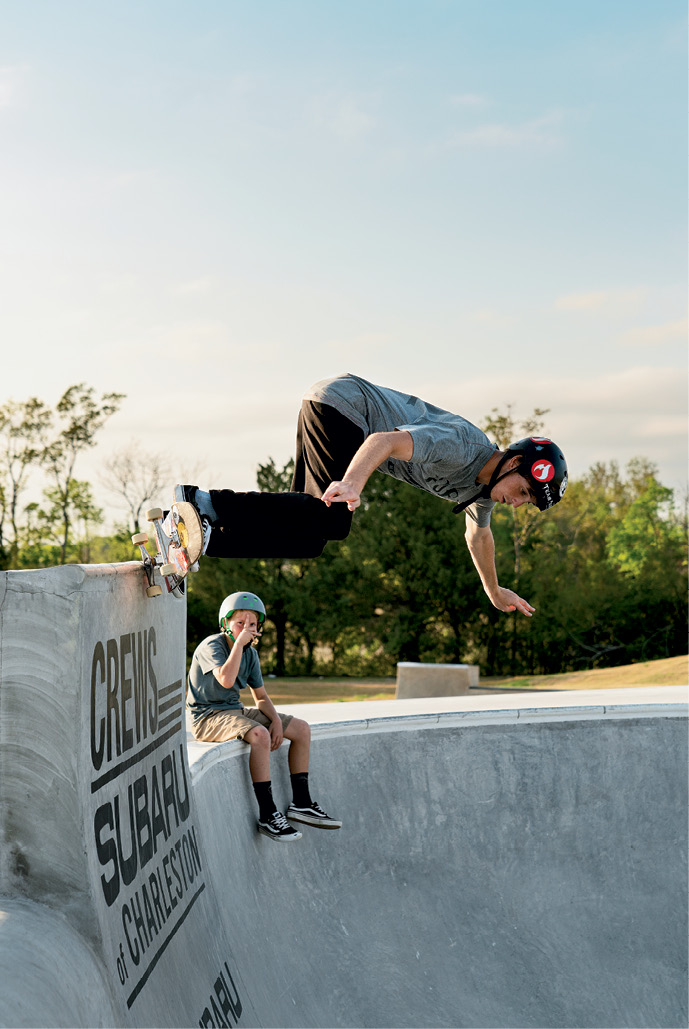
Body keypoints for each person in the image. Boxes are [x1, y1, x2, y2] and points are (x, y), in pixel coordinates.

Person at [175, 373, 568, 618]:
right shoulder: (464, 448)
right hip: (344, 406)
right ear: (513, 461)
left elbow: (478, 535)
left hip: (337, 409)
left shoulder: (481, 490)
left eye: (526, 502)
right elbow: (383, 441)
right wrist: (352, 484)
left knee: (311, 535)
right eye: (521, 492)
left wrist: (493, 590)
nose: (516, 503)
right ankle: (200, 502)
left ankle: (205, 536)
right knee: (334, 518)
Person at [187, 590, 342, 842]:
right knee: (259, 734)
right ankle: (268, 814)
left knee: (301, 728)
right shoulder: (211, 645)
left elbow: (260, 696)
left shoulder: (251, 654)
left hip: (234, 712)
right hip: (207, 718)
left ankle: (302, 802)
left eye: (252, 624)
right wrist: (238, 643)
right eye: (239, 623)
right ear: (225, 624)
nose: (246, 628)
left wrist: (278, 721)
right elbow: (226, 680)